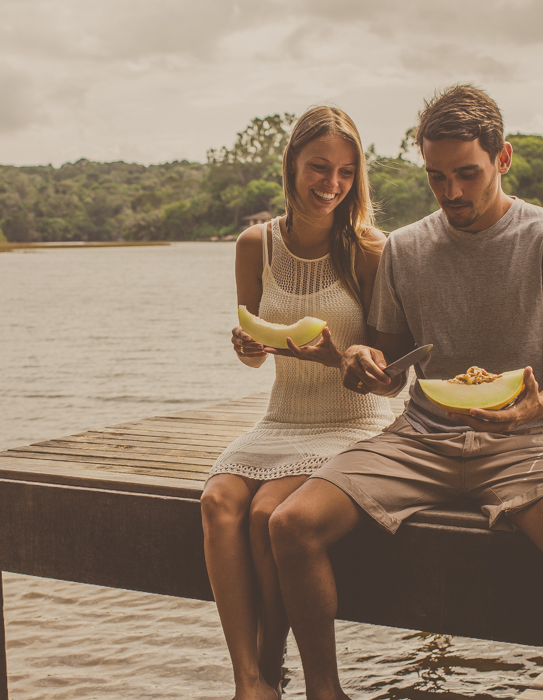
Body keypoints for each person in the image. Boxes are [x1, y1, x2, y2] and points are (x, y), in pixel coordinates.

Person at [269, 84, 543, 700]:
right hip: (420, 437)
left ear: (502, 159)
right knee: (291, 523)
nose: (451, 192)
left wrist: (538, 405)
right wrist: (360, 361)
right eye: (436, 177)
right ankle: (325, 692)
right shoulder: (405, 247)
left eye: (467, 174)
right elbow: (390, 365)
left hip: (525, 438)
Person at [201, 106, 394, 700]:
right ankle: (250, 682)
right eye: (318, 168)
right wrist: (248, 348)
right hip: (282, 418)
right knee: (217, 501)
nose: (331, 184)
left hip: (355, 421)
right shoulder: (253, 244)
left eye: (344, 171)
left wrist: (345, 355)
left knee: (266, 515)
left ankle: (283, 664)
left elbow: (387, 370)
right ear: (290, 165)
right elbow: (258, 353)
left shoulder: (369, 249)